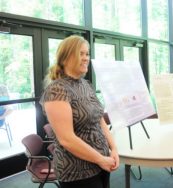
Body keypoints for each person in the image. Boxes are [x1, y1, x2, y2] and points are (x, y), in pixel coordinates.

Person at [39, 35, 119, 188]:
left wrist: (113, 148)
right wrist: (101, 159)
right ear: (65, 58)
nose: (86, 58)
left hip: (101, 163)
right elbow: (67, 139)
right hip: (77, 172)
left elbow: (99, 120)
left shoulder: (86, 84)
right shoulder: (57, 90)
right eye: (80, 54)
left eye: (87, 54)